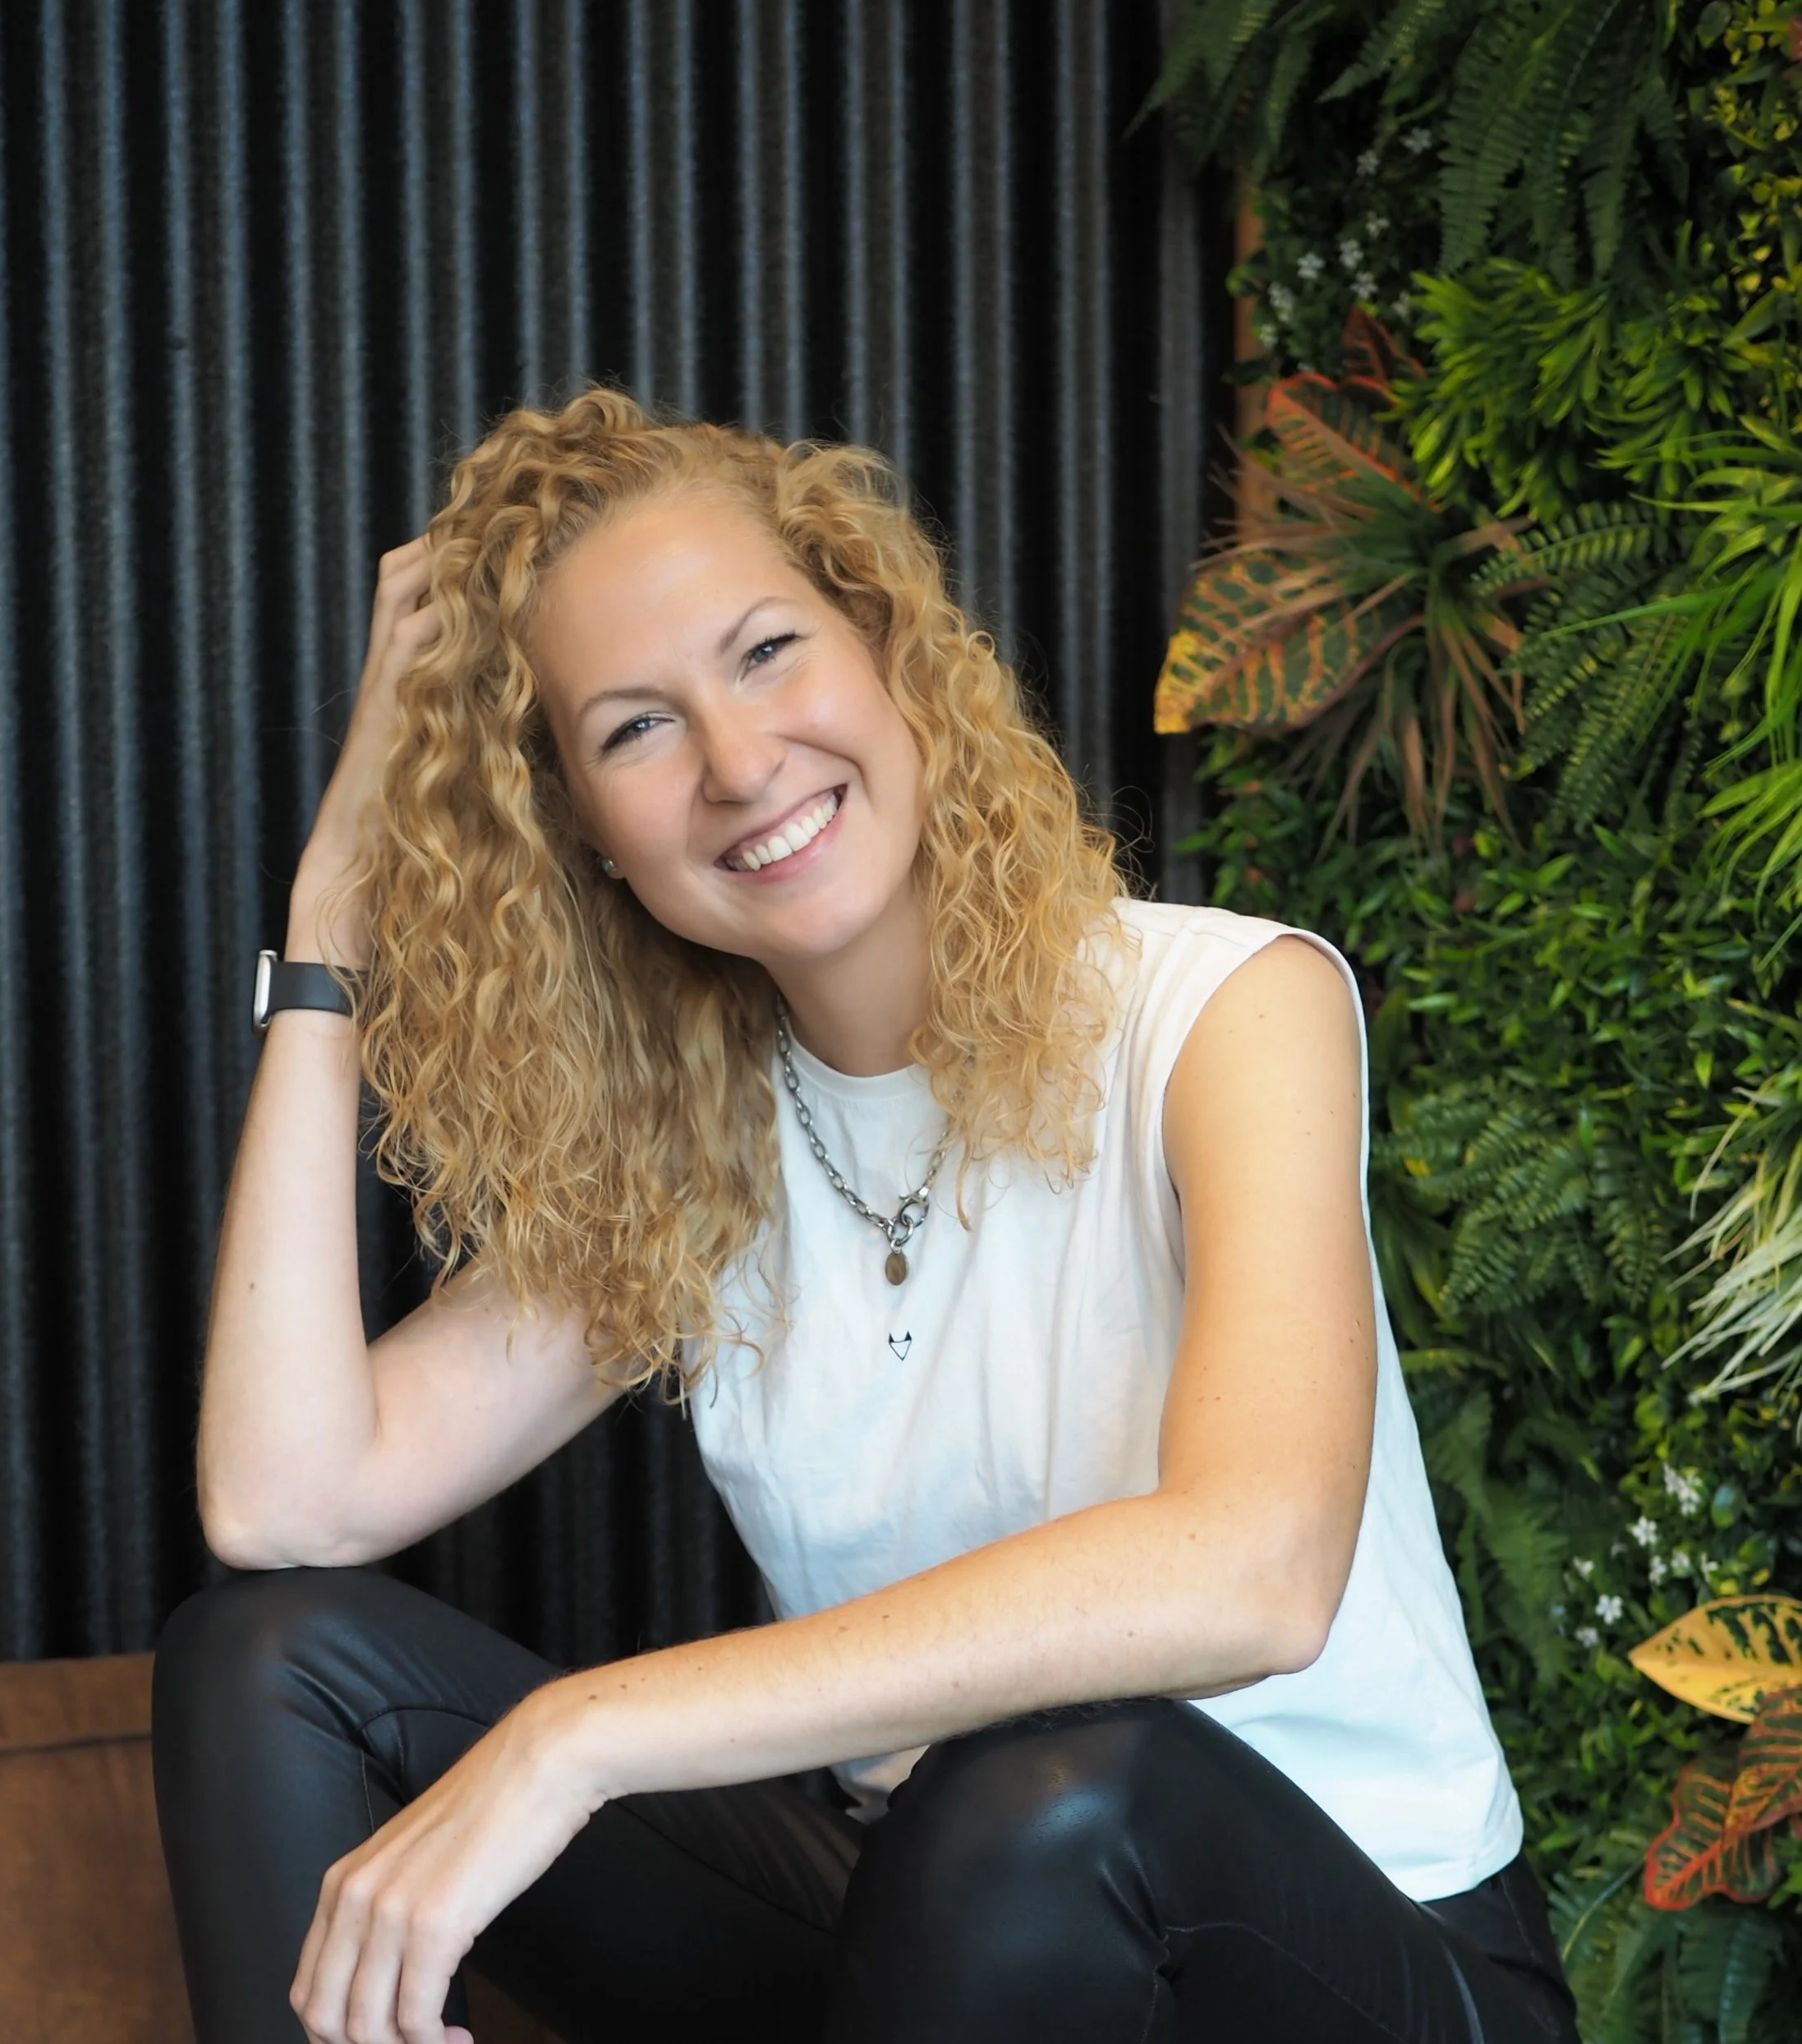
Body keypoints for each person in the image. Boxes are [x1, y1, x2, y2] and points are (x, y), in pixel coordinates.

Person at [151, 389, 1580, 2044]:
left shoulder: (1224, 1010)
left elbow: (1253, 1573)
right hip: (933, 1942)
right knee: (270, 1659)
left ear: (889, 648)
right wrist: (330, 933)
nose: (740, 761)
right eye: (634, 729)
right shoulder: (698, 1144)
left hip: (1339, 1955)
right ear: (588, 842)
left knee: (1046, 1785)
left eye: (764, 651)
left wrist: (580, 1733)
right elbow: (284, 1503)